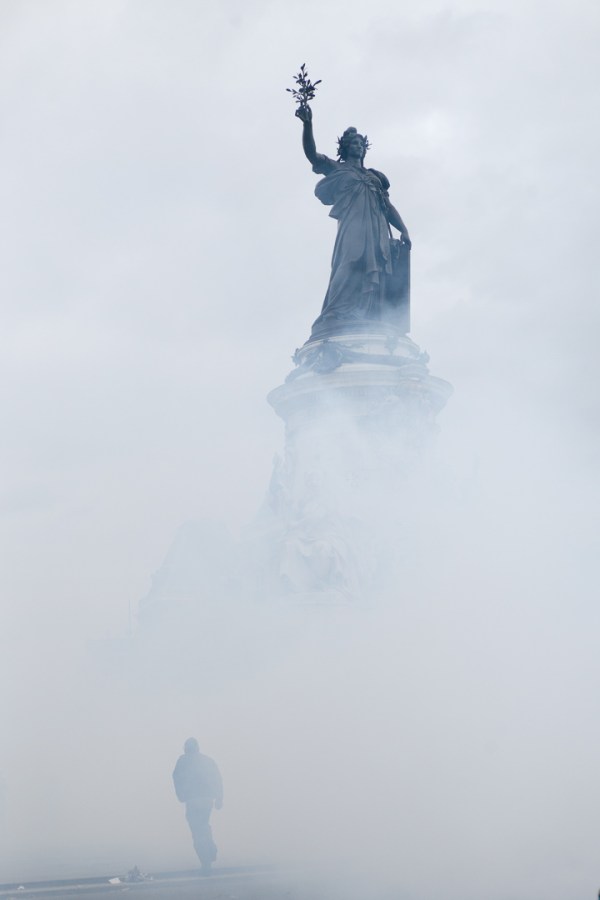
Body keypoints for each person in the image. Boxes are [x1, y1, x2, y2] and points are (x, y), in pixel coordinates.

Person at [296, 103, 411, 336]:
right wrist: (308, 124)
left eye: (361, 143)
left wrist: (404, 229)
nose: (358, 146)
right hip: (353, 228)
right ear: (345, 147)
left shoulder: (374, 177)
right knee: (349, 263)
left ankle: (369, 314)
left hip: (377, 229)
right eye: (353, 143)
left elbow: (387, 206)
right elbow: (311, 154)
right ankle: (336, 312)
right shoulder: (336, 169)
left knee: (376, 266)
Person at [172, 738, 223, 875]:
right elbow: (217, 778)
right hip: (207, 800)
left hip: (193, 800)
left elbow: (176, 778)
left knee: (197, 831)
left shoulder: (183, 761)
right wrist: (219, 798)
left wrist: (181, 795)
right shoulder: (207, 760)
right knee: (203, 825)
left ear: (185, 748)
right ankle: (210, 848)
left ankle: (206, 862)